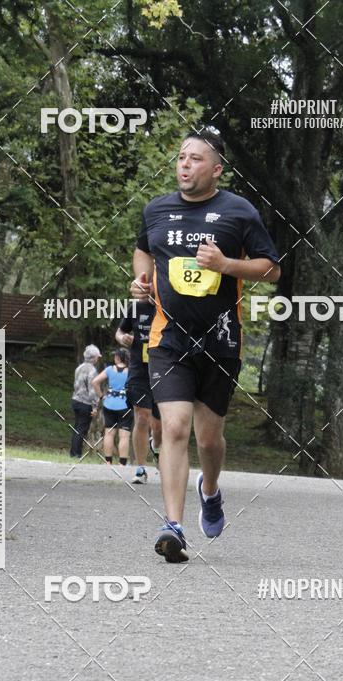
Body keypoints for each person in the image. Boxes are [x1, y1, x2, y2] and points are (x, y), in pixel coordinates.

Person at [131, 129, 281, 562]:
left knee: (209, 438)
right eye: (181, 157)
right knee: (174, 427)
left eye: (195, 159)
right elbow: (143, 251)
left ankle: (210, 490)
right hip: (168, 338)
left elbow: (271, 269)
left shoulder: (238, 211)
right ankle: (173, 525)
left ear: (216, 169)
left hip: (219, 339)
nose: (185, 164)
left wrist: (226, 264)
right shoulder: (156, 210)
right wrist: (142, 281)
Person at [116, 299, 162, 484]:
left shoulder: (170, 303)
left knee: (159, 427)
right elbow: (120, 331)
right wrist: (122, 338)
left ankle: (156, 446)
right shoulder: (136, 307)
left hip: (164, 371)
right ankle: (141, 469)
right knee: (142, 416)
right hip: (139, 371)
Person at [93, 349, 131, 466]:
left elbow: (95, 382)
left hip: (109, 404)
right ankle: (122, 463)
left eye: (115, 356)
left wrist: (101, 396)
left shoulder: (109, 370)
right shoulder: (130, 371)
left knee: (109, 433)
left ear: (118, 358)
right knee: (124, 436)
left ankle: (108, 461)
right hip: (125, 405)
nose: (114, 358)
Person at [70, 344, 102, 458]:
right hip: (85, 403)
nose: (98, 359)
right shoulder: (92, 371)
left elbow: (76, 385)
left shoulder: (79, 368)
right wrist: (95, 406)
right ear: (93, 357)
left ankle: (73, 452)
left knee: (77, 426)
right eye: (97, 357)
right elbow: (92, 390)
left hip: (75, 400)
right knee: (82, 429)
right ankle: (76, 454)